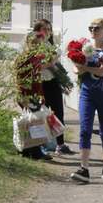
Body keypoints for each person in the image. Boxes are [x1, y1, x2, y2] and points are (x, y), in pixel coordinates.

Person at [70, 18, 103, 182]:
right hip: (87, 93)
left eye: (97, 28)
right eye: (91, 27)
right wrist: (79, 65)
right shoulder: (83, 47)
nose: (93, 30)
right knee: (84, 130)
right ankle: (84, 168)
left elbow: (101, 72)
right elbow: (75, 68)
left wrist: (84, 68)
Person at [32, 19, 75, 156]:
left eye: (49, 29)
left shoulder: (52, 47)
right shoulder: (32, 46)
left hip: (53, 82)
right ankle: (41, 146)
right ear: (37, 31)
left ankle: (60, 144)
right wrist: (50, 63)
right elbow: (35, 66)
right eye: (44, 29)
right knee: (40, 114)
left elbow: (54, 65)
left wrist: (54, 67)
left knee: (59, 113)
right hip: (39, 84)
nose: (47, 32)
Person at [14, 32, 52, 160]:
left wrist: (41, 94)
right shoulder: (24, 58)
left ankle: (26, 150)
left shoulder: (35, 57)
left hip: (35, 94)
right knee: (34, 123)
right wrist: (23, 97)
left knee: (32, 122)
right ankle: (35, 152)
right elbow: (20, 79)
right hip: (27, 95)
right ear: (28, 43)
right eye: (35, 43)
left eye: (39, 43)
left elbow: (37, 77)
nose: (37, 45)